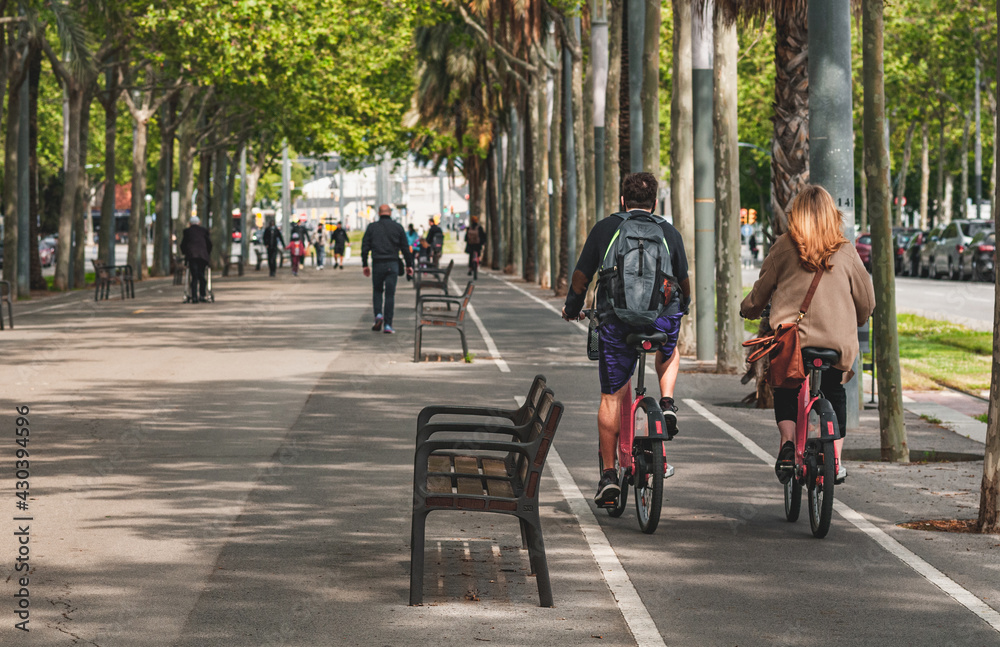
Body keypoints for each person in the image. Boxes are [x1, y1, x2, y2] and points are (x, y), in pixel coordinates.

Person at [561, 172, 690, 506]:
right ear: (655, 203)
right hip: (661, 319)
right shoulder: (668, 231)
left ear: (623, 200)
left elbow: (581, 276)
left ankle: (608, 475)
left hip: (617, 321)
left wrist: (573, 307)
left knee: (612, 395)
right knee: (670, 351)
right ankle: (666, 402)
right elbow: (683, 280)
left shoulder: (607, 228)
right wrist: (682, 308)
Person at [740, 184, 875, 484]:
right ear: (832, 215)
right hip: (836, 345)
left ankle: (788, 445)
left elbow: (761, 292)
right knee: (835, 391)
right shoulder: (846, 250)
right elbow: (867, 300)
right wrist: (861, 316)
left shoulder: (784, 246)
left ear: (797, 215)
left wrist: (748, 309)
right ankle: (835, 461)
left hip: (793, 341)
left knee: (787, 387)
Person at [362, 204, 414, 334]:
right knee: (390, 294)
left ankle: (378, 315)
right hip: (392, 264)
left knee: (378, 291)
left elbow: (365, 247)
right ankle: (388, 325)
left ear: (379, 213)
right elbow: (405, 248)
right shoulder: (397, 227)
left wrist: (365, 264)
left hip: (377, 264)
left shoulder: (372, 227)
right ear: (390, 213)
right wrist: (409, 265)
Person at [180, 215, 213, 303]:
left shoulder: (187, 231)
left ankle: (194, 296)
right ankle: (202, 295)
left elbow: (183, 244)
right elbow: (209, 244)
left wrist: (184, 253)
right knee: (201, 275)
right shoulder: (204, 231)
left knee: (194, 276)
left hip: (192, 256)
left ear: (190, 223)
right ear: (199, 223)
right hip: (203, 256)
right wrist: (207, 253)